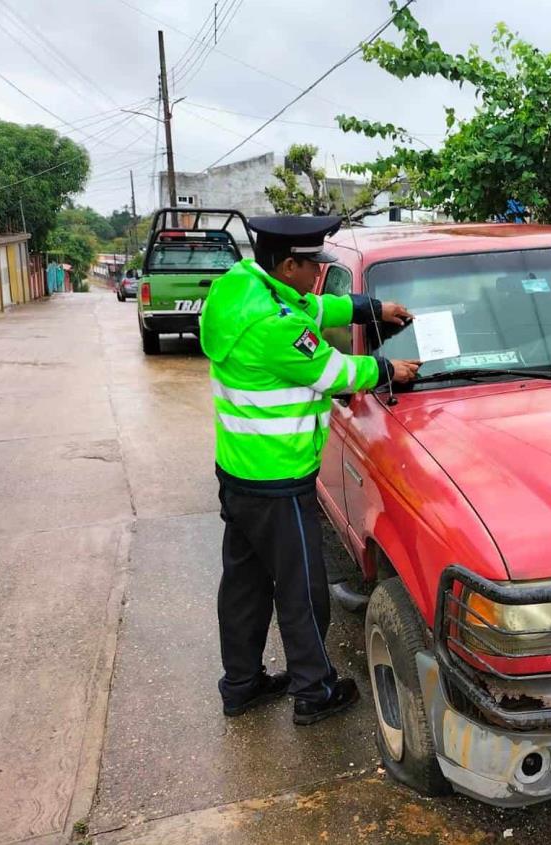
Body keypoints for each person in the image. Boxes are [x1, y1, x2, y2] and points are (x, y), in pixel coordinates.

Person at [199, 215, 420, 725]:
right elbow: (333, 371)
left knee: (245, 586)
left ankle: (241, 684)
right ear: (289, 264)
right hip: (279, 482)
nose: (317, 275)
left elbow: (316, 306)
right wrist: (389, 368)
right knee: (300, 591)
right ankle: (314, 692)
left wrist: (371, 308)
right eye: (311, 265)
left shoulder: (243, 288)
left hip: (239, 473)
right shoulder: (276, 328)